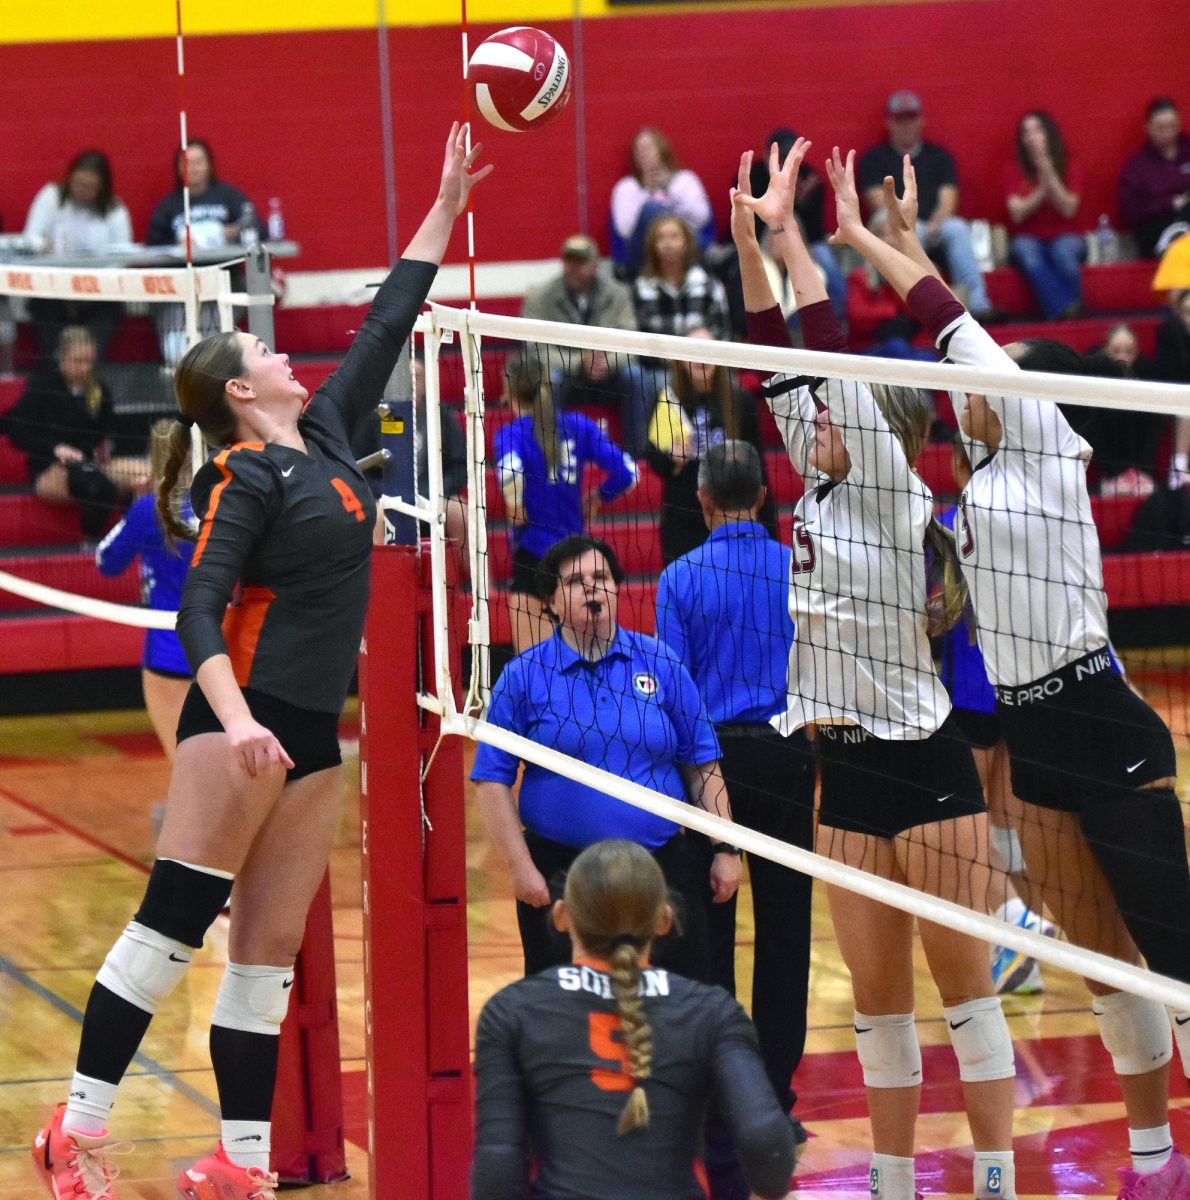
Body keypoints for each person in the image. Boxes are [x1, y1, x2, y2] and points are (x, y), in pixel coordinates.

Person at [29, 124, 490, 1200]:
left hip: (309, 729)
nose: (284, 356)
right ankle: (74, 1129)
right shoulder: (245, 475)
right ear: (240, 392)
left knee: (265, 957)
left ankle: (239, 1166)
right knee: (173, 927)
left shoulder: (326, 432)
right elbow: (196, 612)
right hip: (241, 725)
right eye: (264, 356)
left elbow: (389, 315)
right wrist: (235, 722)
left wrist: (446, 203)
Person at [832, 142, 1190, 1198]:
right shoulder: (975, 476)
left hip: (1098, 715)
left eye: (971, 379)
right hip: (1031, 738)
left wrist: (860, 240)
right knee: (1104, 963)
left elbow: (945, 319)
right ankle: (1150, 1157)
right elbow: (935, 338)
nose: (958, 396)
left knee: (1172, 964)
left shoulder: (1038, 436)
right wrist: (891, 242)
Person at [735, 139, 1019, 1200]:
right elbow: (774, 342)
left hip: (926, 764)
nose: (807, 422)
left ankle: (989, 1179)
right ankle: (893, 1184)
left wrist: (795, 233)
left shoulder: (890, 487)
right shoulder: (809, 484)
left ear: (869, 416)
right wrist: (743, 242)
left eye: (824, 410)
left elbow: (820, 336)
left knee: (966, 998)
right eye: (801, 417)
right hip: (842, 773)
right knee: (875, 1006)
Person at [471, 535, 742, 987]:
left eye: (601, 578)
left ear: (617, 589)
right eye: (575, 581)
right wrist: (521, 869)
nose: (592, 588)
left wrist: (726, 850)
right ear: (552, 603)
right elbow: (490, 779)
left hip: (659, 865)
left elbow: (702, 763)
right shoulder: (523, 675)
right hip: (561, 871)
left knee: (679, 1001)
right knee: (566, 1016)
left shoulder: (660, 662)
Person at [471, 838, 795, 1200]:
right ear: (664, 920)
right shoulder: (712, 1011)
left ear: (562, 915)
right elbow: (768, 1147)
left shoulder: (511, 1011)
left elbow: (498, 1170)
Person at [654, 439, 815, 1145]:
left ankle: (721, 1099)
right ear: (764, 495)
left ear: (703, 500)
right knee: (786, 934)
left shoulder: (679, 578)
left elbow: (677, 699)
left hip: (711, 762)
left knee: (709, 932)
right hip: (787, 758)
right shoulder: (796, 572)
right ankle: (775, 1099)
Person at [937, 435, 1054, 997]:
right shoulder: (1027, 513)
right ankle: (1026, 952)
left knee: (971, 819)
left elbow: (932, 610)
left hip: (972, 690)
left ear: (960, 465)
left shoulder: (949, 521)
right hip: (1026, 685)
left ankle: (1012, 929)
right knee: (1010, 820)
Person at [494, 355, 636, 653]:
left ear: (509, 390)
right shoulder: (578, 425)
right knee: (582, 665)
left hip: (532, 557)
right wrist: (599, 497)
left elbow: (510, 471)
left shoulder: (511, 434)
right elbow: (628, 472)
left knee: (535, 670)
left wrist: (515, 505)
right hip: (575, 559)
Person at [95, 419, 194, 762]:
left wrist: (138, 507)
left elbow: (106, 562)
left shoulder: (146, 510)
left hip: (167, 652)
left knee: (183, 763)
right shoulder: (220, 504)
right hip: (221, 648)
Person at [3, 325, 148, 543]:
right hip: (51, 468)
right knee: (96, 486)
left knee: (148, 474)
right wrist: (55, 448)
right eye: (77, 361)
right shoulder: (43, 387)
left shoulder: (101, 390)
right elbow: (13, 427)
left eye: (88, 361)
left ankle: (135, 537)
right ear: (62, 358)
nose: (84, 368)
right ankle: (90, 544)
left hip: (93, 463)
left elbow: (109, 432)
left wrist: (106, 445)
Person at [645, 325, 775, 565]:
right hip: (683, 518)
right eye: (694, 351)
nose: (701, 357)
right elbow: (652, 458)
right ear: (682, 361)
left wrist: (770, 531)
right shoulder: (667, 400)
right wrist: (670, 458)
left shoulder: (741, 402)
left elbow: (758, 469)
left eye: (707, 350)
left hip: (732, 515)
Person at [858, 91, 994, 319]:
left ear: (921, 121)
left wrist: (935, 222)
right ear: (889, 123)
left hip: (934, 224)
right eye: (900, 120)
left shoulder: (939, 157)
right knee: (909, 230)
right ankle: (920, 306)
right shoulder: (873, 159)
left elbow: (948, 201)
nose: (906, 125)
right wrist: (912, 225)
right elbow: (878, 203)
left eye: (911, 118)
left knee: (957, 227)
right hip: (894, 223)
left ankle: (978, 304)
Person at [521, 233, 653, 455]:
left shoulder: (618, 294)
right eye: (568, 260)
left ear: (595, 265)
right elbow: (534, 349)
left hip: (608, 374)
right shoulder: (539, 296)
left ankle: (637, 456)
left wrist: (605, 363)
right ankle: (548, 457)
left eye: (580, 262)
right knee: (549, 380)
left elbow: (631, 342)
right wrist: (579, 362)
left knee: (637, 377)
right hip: (565, 374)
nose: (573, 267)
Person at [146, 139, 266, 366]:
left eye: (198, 162)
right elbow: (153, 247)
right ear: (178, 168)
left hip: (222, 285)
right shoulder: (168, 206)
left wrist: (229, 232)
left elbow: (258, 229)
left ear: (209, 165)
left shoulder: (230, 197)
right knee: (177, 353)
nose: (193, 168)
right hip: (180, 290)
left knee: (213, 353)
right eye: (186, 163)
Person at [22, 150, 134, 360]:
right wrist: (41, 245)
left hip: (97, 291)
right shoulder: (52, 196)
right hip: (54, 288)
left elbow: (122, 257)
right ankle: (54, 368)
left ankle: (89, 366)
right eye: (78, 183)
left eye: (90, 187)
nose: (82, 190)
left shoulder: (115, 210)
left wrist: (94, 285)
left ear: (102, 187)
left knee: (107, 311)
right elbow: (30, 236)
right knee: (44, 309)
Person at [751, 128, 847, 318]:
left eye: (790, 157)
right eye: (781, 157)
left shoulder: (811, 179)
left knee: (825, 258)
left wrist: (800, 204)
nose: (785, 163)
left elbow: (816, 231)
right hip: (762, 238)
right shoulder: (754, 177)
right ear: (766, 155)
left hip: (806, 241)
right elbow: (747, 221)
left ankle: (840, 313)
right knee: (743, 260)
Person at [1004, 111, 1086, 319]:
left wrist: (1048, 169)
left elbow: (1068, 208)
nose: (1032, 136)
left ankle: (1064, 313)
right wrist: (1043, 185)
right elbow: (1017, 213)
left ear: (1049, 133)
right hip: (1027, 236)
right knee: (1029, 255)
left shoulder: (1070, 163)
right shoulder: (1013, 168)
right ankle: (1066, 311)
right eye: (1026, 132)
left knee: (1063, 253)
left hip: (1066, 234)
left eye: (1037, 129)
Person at [610, 127, 713, 277]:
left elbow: (702, 217)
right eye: (638, 150)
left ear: (662, 148)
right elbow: (625, 230)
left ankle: (708, 254)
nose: (643, 153)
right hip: (642, 255)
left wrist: (669, 190)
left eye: (648, 147)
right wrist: (648, 193)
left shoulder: (685, 180)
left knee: (667, 221)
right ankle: (709, 254)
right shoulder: (627, 187)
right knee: (653, 209)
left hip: (686, 253)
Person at [633, 214, 730, 341]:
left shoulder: (707, 283)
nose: (668, 243)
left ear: (687, 242)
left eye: (674, 236)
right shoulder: (643, 287)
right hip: (660, 358)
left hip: (703, 358)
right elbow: (641, 336)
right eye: (660, 238)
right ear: (652, 245)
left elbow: (721, 330)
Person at [1117, 97, 1190, 259]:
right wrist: (1170, 203)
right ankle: (1171, 240)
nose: (1167, 133)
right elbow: (1130, 210)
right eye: (1160, 128)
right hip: (1157, 225)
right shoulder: (1137, 166)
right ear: (1147, 128)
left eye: (1172, 126)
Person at [1153, 288, 1190, 489]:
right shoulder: (1170, 334)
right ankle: (1179, 467)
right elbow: (1171, 375)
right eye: (1187, 312)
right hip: (1175, 399)